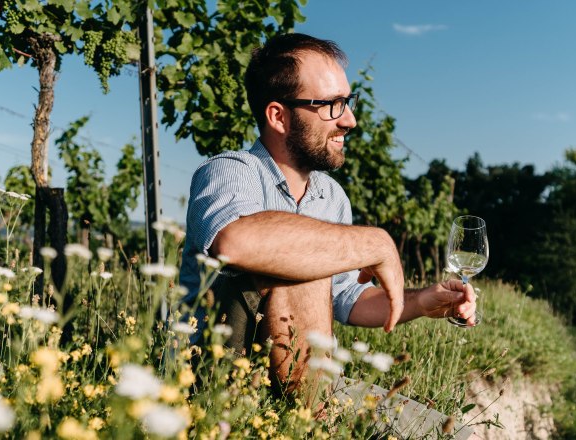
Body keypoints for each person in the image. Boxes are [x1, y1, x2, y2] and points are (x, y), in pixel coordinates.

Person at [178, 32, 477, 436]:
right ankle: (314, 423)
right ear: (278, 117)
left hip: (307, 388)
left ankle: (315, 417)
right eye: (330, 105)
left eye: (347, 102)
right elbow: (235, 243)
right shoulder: (229, 171)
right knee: (299, 260)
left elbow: (345, 299)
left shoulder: (331, 197)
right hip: (216, 390)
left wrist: (422, 301)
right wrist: (376, 242)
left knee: (450, 432)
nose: (349, 119)